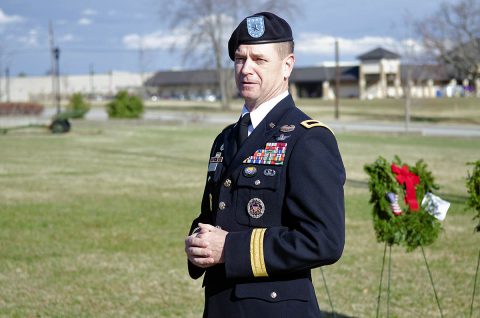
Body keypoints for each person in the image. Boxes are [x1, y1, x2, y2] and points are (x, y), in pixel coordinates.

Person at [184, 11, 345, 318]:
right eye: (240, 59)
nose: (246, 69)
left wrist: (229, 249)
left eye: (259, 60)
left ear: (288, 65)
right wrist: (199, 242)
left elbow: (324, 240)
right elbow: (219, 215)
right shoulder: (226, 138)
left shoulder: (308, 139)